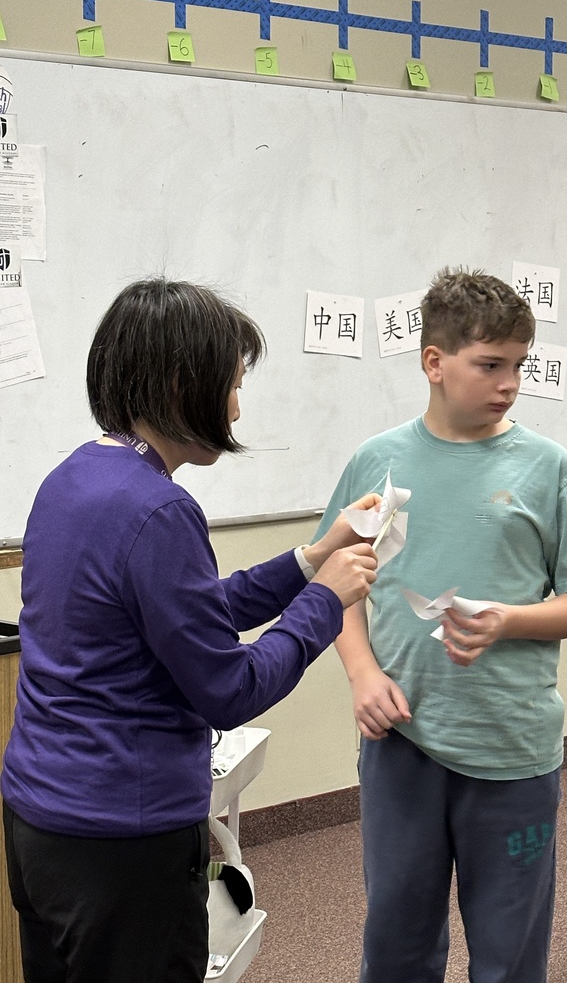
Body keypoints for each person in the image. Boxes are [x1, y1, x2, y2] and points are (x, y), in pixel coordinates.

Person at [1, 278, 379, 983]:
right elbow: (227, 689)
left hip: (41, 824)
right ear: (181, 384)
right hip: (122, 842)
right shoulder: (159, 510)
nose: (237, 406)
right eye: (232, 384)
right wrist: (326, 602)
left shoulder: (73, 480)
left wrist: (311, 558)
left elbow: (186, 614)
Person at [315, 267, 567, 983]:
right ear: (434, 363)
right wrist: (361, 673)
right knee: (396, 946)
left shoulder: (548, 470)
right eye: (489, 365)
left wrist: (509, 620)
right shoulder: (379, 463)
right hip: (402, 741)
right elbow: (337, 585)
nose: (509, 382)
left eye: (519, 365)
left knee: (509, 956)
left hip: (511, 746)